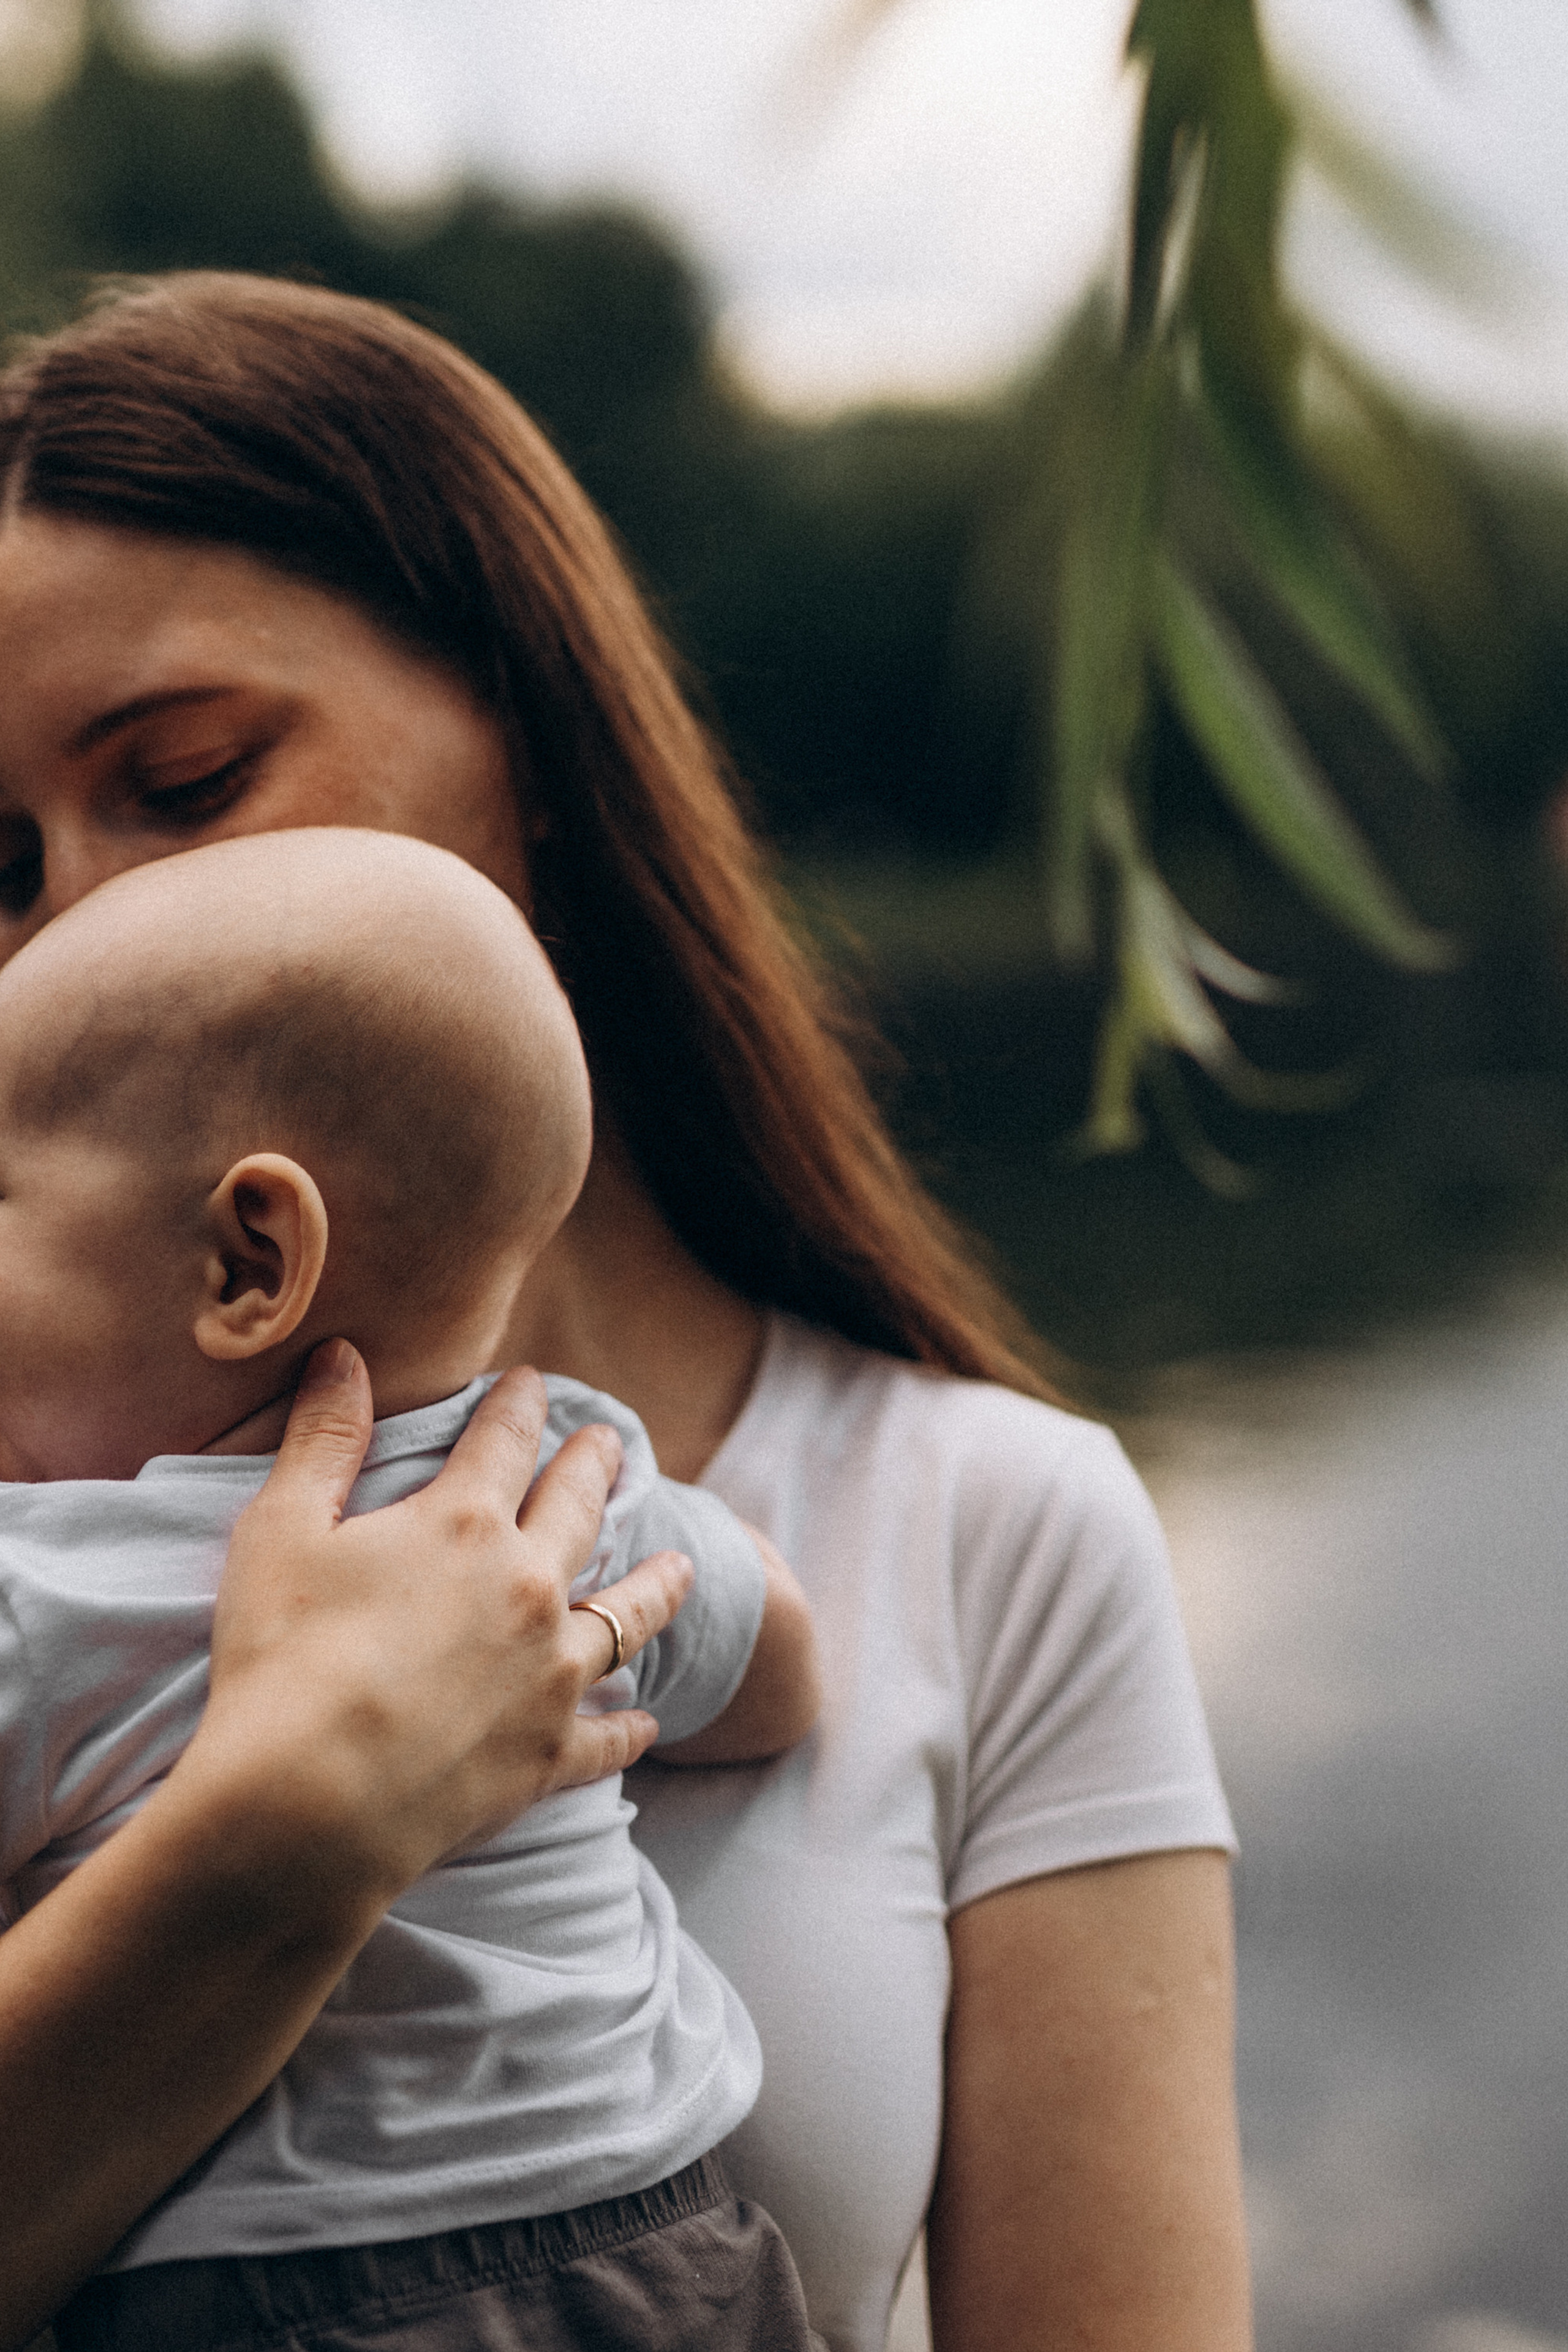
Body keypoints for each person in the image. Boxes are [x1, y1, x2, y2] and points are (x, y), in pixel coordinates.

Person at [0, 273, 1252, 2352]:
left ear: (534, 742)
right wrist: (295, 1828)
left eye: (190, 779)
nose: (75, 926)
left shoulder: (993, 1534)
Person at [0, 824, 824, 2350]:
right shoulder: (553, 1495)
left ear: (250, 1262)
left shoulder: (38, 1580)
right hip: (669, 2250)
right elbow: (775, 1663)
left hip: (261, 2300)